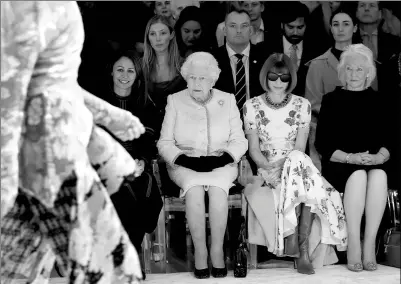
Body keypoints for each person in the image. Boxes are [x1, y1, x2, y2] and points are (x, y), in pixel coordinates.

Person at [1, 1, 145, 283]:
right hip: (44, 157)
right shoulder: (25, 8)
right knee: (110, 270)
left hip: (54, 148)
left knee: (22, 270)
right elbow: (10, 92)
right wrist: (5, 176)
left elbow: (55, 81)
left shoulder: (57, 7)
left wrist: (110, 115)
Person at [243, 53, 347, 275]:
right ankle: (301, 249)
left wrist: (285, 168)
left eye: (284, 77)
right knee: (307, 181)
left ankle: (299, 246)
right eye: (273, 76)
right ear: (265, 76)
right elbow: (253, 149)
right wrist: (268, 169)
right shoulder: (251, 105)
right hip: (268, 167)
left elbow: (300, 147)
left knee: (298, 161)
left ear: (291, 78)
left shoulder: (303, 105)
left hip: (296, 164)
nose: (279, 82)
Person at [157, 52, 248, 279]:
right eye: (192, 78)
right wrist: (185, 160)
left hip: (221, 162)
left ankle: (217, 252)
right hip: (184, 164)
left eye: (202, 78)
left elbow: (240, 140)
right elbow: (165, 142)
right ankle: (200, 252)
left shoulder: (226, 100)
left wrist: (221, 159)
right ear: (186, 78)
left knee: (218, 191)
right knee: (195, 190)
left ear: (212, 80)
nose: (197, 83)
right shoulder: (175, 100)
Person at [315, 44, 391, 272]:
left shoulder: (380, 100)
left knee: (379, 175)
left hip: (372, 163)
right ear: (342, 72)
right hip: (341, 164)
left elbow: (391, 139)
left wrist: (379, 158)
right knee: (358, 175)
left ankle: (370, 245)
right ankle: (353, 245)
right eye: (349, 69)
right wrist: (351, 158)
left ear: (369, 72)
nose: (354, 74)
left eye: (360, 69)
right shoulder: (331, 100)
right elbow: (323, 145)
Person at [102, 49, 163, 278]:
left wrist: (142, 162)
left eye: (130, 71)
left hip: (136, 167)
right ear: (111, 72)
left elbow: (149, 142)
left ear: (137, 76)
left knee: (139, 188)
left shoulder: (146, 106)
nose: (125, 75)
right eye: (120, 69)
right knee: (120, 191)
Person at [305, 7, 361, 171]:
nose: (341, 29)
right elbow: (312, 103)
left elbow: (373, 99)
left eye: (346, 24)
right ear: (330, 28)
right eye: (336, 24)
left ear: (355, 27)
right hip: (327, 132)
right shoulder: (317, 64)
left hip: (360, 130)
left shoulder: (367, 62)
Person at [142, 15, 187, 139]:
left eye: (162, 33)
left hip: (180, 134)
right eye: (153, 34)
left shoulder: (185, 66)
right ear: (148, 37)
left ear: (171, 35)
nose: (158, 39)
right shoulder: (140, 68)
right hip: (148, 134)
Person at [213, 8, 265, 112]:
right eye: (233, 26)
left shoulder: (264, 57)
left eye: (244, 26)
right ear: (224, 31)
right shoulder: (212, 60)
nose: (239, 31)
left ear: (251, 31)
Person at [259, 1, 314, 97]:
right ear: (282, 25)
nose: (295, 32)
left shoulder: (316, 49)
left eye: (300, 27)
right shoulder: (266, 48)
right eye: (290, 27)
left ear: (307, 25)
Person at [356, 1, 401, 91]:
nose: (366, 8)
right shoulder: (346, 41)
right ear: (356, 13)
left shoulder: (394, 42)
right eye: (362, 5)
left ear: (380, 14)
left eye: (372, 5)